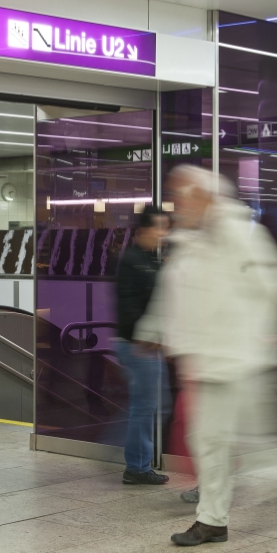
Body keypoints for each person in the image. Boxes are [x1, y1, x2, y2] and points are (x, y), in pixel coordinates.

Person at [138, 165, 277, 547]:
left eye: (184, 195)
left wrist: (263, 331)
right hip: (206, 360)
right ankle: (213, 520)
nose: (178, 204)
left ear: (205, 196)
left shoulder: (241, 235)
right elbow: (171, 293)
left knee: (253, 440)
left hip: (239, 359)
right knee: (210, 439)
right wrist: (152, 329)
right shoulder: (189, 243)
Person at [114, 205, 171, 485]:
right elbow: (128, 305)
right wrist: (143, 338)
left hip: (150, 345)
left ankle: (138, 463)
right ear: (145, 230)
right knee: (145, 405)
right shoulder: (132, 260)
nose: (164, 233)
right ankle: (136, 466)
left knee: (151, 405)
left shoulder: (152, 259)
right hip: (138, 346)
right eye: (160, 227)